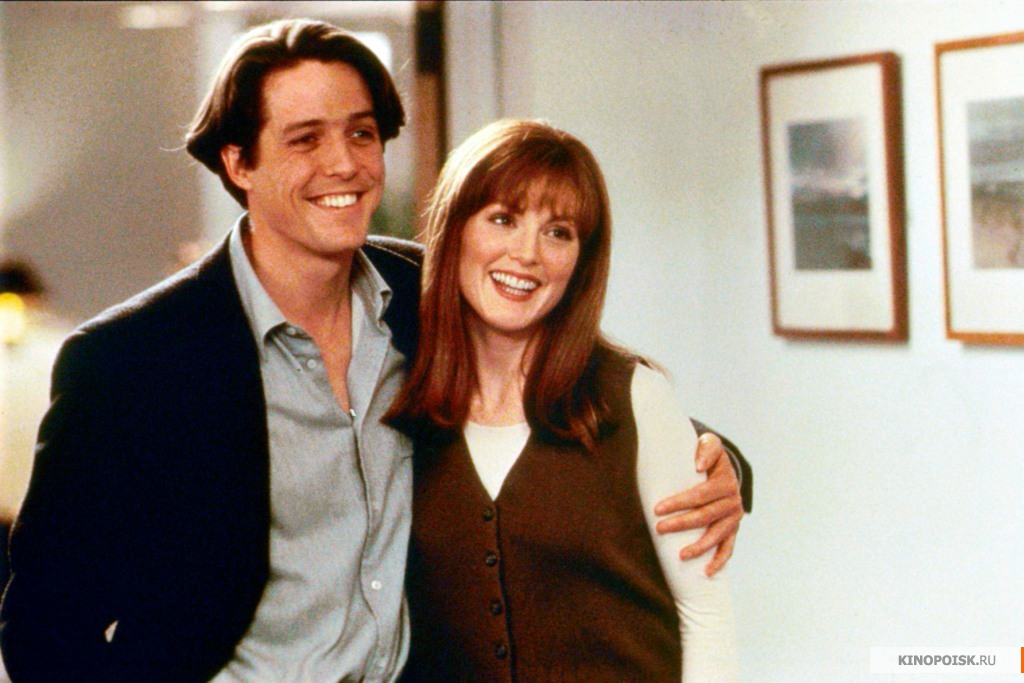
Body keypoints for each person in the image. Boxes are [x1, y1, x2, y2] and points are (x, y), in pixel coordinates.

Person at [0, 19, 748, 681]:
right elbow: (43, 633)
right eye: (305, 138)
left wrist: (722, 466)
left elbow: (576, 390)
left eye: (362, 134)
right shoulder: (131, 361)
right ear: (238, 162)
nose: (345, 165)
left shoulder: (427, 294)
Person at [387, 119, 737, 681]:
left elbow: (706, 615)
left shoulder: (636, 399)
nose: (527, 253)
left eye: (558, 232)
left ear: (581, 260)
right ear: (455, 230)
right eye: (503, 219)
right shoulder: (401, 404)